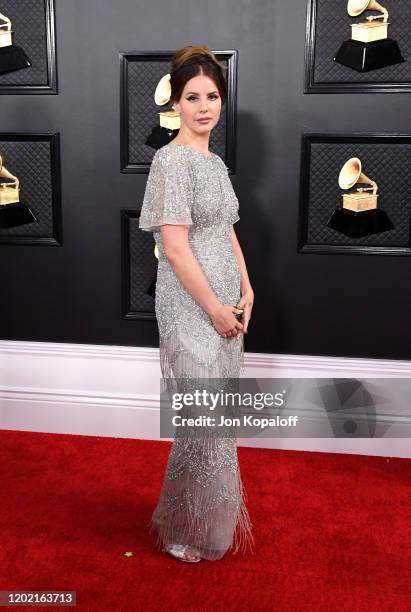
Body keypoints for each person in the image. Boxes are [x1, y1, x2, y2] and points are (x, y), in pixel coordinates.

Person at [139, 45, 255, 562]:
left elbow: (227, 230)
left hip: (228, 301)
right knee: (203, 422)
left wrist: (247, 288)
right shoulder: (171, 161)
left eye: (212, 96)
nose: (204, 106)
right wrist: (212, 308)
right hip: (191, 304)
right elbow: (176, 245)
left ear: (222, 101)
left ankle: (186, 522)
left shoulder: (216, 162)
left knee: (212, 420)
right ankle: (190, 530)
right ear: (176, 104)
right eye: (192, 97)